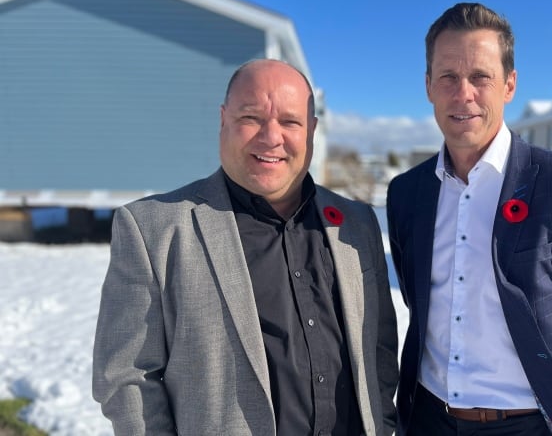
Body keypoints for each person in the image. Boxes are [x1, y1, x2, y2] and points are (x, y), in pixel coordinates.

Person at [92, 59, 398, 436]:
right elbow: (126, 378)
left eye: (290, 122)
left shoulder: (355, 224)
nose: (271, 138)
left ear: (312, 130)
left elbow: (379, 352)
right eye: (251, 118)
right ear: (223, 120)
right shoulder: (154, 230)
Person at [386, 3, 552, 436]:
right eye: (448, 78)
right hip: (426, 418)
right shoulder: (407, 193)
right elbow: (416, 297)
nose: (464, 94)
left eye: (481, 76)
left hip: (525, 425)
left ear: (509, 84)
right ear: (428, 87)